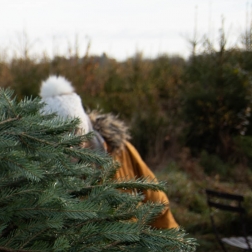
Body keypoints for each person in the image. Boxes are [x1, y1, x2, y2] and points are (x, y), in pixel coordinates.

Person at [39, 75, 178, 230]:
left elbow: (158, 203)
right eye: (60, 137)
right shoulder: (39, 176)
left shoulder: (121, 152)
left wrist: (173, 249)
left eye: (76, 131)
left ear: (85, 127)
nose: (70, 144)